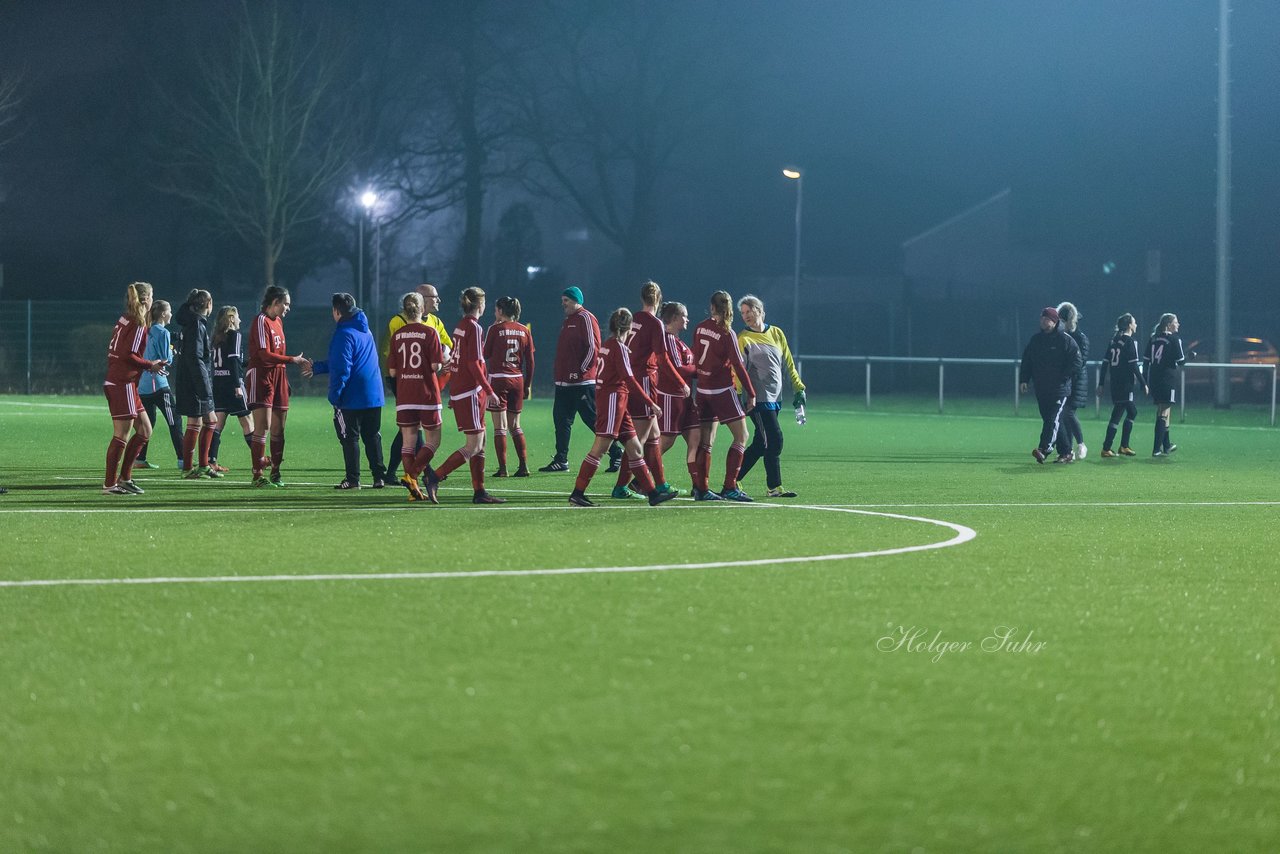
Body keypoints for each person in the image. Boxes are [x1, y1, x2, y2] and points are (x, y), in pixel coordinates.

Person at [569, 308, 679, 508]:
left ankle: (653, 494)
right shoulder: (618, 348)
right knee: (600, 447)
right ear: (628, 327)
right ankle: (577, 493)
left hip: (618, 402)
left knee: (635, 448)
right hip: (613, 401)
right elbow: (629, 379)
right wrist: (650, 402)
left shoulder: (608, 345)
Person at [304, 293, 387, 489]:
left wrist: (334, 396)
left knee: (349, 438)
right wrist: (317, 367)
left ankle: (353, 479)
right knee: (372, 436)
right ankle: (379, 477)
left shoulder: (344, 333)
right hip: (373, 395)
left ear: (337, 311)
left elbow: (342, 368)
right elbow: (348, 362)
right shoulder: (365, 331)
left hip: (351, 397)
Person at [539, 286, 622, 473]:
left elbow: (593, 347)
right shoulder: (569, 320)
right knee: (561, 421)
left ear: (576, 300)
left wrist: (581, 371)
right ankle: (561, 459)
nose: (563, 304)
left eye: (566, 300)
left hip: (581, 383)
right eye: (562, 301)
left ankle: (616, 452)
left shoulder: (586, 318)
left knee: (592, 420)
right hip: (563, 383)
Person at [433, 287, 504, 504]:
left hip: (464, 391)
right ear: (480, 305)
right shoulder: (474, 328)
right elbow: (473, 363)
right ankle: (435, 476)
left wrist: (454, 392)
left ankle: (479, 491)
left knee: (479, 444)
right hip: (472, 392)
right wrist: (489, 390)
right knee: (473, 445)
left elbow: (457, 361)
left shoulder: (461, 326)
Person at [619, 280, 685, 498]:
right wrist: (680, 382)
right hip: (644, 383)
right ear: (658, 299)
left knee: (654, 436)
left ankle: (661, 484)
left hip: (629, 380)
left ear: (642, 298)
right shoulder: (654, 323)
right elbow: (662, 359)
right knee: (637, 439)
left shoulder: (632, 319)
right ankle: (621, 486)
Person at [736, 294, 806, 498]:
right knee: (774, 439)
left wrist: (799, 387)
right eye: (743, 313)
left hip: (775, 399)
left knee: (761, 443)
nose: (746, 316)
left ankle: (732, 480)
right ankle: (774, 487)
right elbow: (738, 370)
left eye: (749, 311)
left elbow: (788, 363)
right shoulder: (743, 339)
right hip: (757, 400)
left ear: (759, 311)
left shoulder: (776, 333)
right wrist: (740, 394)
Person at [102, 281, 168, 495]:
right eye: (151, 296)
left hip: (124, 382)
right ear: (146, 299)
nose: (152, 299)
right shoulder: (139, 323)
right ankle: (109, 484)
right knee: (121, 434)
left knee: (145, 430)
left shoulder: (124, 318)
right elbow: (128, 355)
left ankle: (125, 478)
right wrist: (151, 365)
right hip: (122, 384)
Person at [383, 283, 453, 482]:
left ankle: (407, 472)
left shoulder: (435, 322)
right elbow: (432, 359)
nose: (437, 300)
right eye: (433, 297)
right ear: (421, 300)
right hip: (408, 380)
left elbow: (448, 344)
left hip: (412, 378)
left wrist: (446, 354)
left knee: (410, 429)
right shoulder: (398, 322)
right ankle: (416, 471)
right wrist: (441, 359)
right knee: (414, 429)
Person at [692, 291, 757, 501]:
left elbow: (694, 357)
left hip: (702, 391)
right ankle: (730, 486)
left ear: (712, 307)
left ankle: (701, 489)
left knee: (706, 442)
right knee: (742, 436)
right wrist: (751, 393)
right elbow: (738, 365)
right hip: (721, 391)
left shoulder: (700, 326)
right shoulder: (727, 333)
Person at [245, 285, 308, 487]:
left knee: (279, 428)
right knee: (262, 427)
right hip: (261, 375)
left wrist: (285, 377)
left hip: (279, 375)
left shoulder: (278, 321)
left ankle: (275, 472)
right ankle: (257, 475)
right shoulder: (260, 321)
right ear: (275, 303)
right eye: (286, 304)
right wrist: (292, 360)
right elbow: (263, 354)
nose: (288, 308)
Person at [1020, 306, 1082, 464]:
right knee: (1052, 421)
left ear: (1054, 322)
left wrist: (1064, 377)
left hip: (1059, 390)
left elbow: (1077, 362)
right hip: (1041, 389)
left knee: (1052, 419)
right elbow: (1027, 361)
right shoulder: (1036, 340)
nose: (1043, 321)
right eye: (1042, 318)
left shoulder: (1065, 340)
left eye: (1047, 318)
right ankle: (1066, 452)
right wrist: (1024, 380)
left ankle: (1044, 449)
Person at [483, 295, 535, 478]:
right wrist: (527, 384)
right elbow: (531, 361)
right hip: (518, 380)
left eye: (496, 309)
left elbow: (485, 354)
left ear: (500, 311)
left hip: (498, 379)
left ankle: (503, 468)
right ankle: (523, 466)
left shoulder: (494, 329)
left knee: (500, 427)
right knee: (515, 425)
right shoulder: (524, 330)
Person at [174, 289, 220, 479]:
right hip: (194, 382)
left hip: (191, 380)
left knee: (206, 421)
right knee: (204, 421)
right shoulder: (195, 324)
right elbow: (196, 358)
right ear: (208, 304)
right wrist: (203, 387)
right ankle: (188, 468)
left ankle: (202, 465)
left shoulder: (192, 322)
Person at [135, 299, 184, 470]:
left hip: (143, 385)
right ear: (163, 314)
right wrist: (171, 350)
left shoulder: (145, 330)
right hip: (159, 385)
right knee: (175, 421)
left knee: (148, 423)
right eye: (169, 310)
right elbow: (166, 359)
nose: (171, 313)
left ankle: (140, 458)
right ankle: (183, 460)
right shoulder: (162, 332)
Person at [657, 301, 701, 493]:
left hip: (685, 399)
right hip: (670, 397)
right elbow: (679, 368)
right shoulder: (667, 339)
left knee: (696, 438)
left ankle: (698, 486)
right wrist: (699, 370)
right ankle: (639, 481)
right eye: (684, 316)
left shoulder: (678, 341)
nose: (687, 319)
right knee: (665, 441)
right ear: (675, 318)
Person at [209, 305, 254, 473]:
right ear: (231, 319)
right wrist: (237, 385)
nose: (240, 320)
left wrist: (247, 362)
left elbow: (228, 362)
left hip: (218, 384)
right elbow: (233, 361)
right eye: (238, 316)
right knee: (248, 422)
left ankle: (211, 461)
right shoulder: (235, 335)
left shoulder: (216, 337)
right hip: (232, 385)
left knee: (218, 424)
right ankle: (259, 460)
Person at [1097, 312, 1147, 458]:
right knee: (1131, 412)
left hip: (1114, 383)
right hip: (1126, 383)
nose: (1136, 324)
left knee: (1118, 413)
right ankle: (1121, 446)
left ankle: (1109, 447)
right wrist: (1144, 383)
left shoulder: (1113, 341)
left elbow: (1105, 363)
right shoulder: (1129, 342)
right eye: (1135, 322)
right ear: (1130, 325)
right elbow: (1133, 366)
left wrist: (1101, 383)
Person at [1145, 312, 1186, 457]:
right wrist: (1189, 356)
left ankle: (1167, 445)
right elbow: (1181, 361)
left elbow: (1146, 360)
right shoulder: (1174, 339)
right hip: (1167, 379)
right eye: (1176, 322)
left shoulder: (1153, 338)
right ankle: (1156, 449)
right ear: (1169, 324)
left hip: (1154, 378)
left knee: (1163, 411)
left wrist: (1145, 381)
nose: (1178, 324)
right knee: (1163, 411)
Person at [1056, 301, 1090, 459]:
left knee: (1068, 412)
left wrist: (1066, 372)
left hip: (1076, 381)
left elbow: (1080, 361)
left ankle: (1081, 444)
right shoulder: (1061, 337)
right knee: (1063, 414)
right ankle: (1068, 450)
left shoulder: (1081, 338)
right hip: (1066, 380)